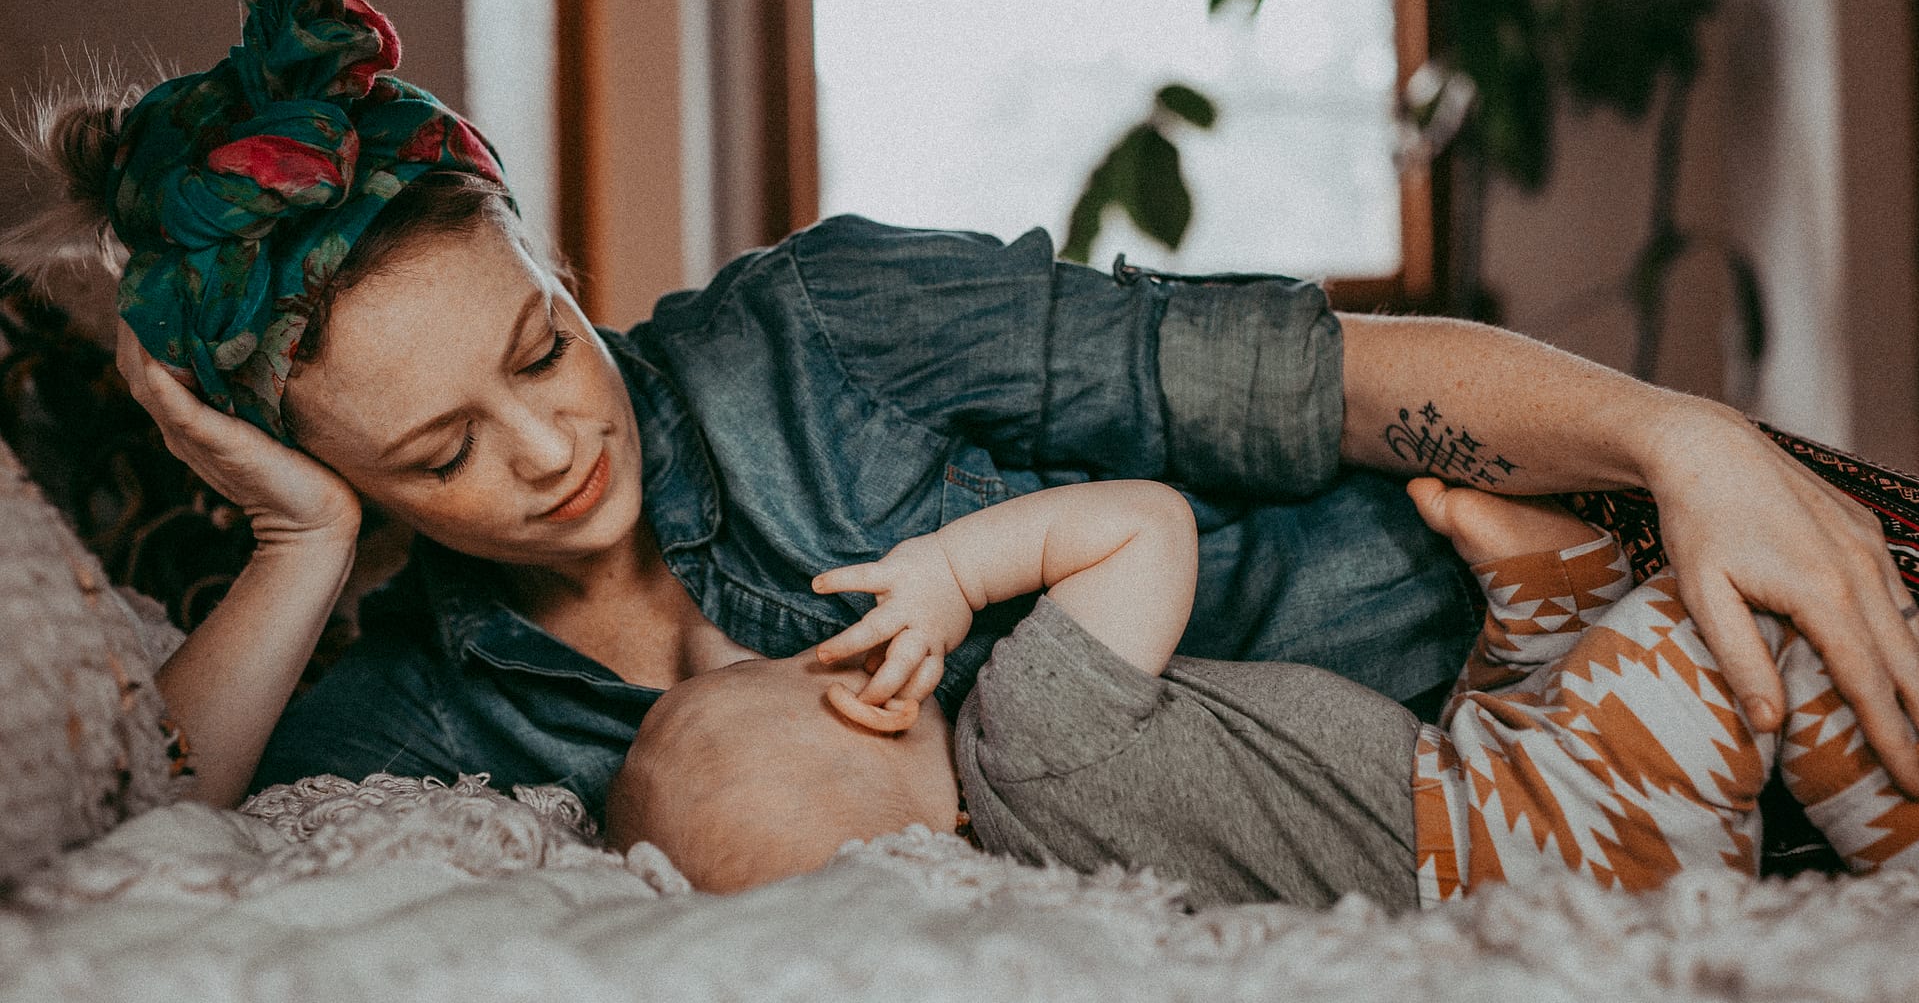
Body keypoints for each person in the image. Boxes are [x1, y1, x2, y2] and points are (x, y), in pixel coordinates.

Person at [9, 0, 1918, 819]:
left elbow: (1310, 378)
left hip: (1588, 623)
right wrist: (297, 548)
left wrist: (1678, 439)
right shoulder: (425, 714)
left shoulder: (825, 328)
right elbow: (134, 856)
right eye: (436, 454)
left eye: (541, 346)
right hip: (1455, 857)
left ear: (558, 263)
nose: (547, 448)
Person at [611, 476, 1919, 907]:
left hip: (1479, 808)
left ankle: (1556, 608)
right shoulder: (1026, 729)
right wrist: (954, 573)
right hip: (1540, 833)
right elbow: (1146, 527)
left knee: (1523, 682)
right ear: (869, 701)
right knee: (1739, 608)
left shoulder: (1031, 878)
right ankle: (1904, 846)